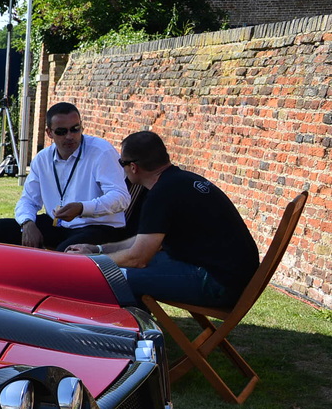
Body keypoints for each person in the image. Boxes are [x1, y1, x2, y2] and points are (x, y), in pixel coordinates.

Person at [64, 131, 259, 309]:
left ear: (133, 167)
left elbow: (138, 258)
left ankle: (126, 336)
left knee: (108, 277)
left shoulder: (161, 195)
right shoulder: (181, 181)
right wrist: (97, 249)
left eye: (121, 163)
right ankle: (136, 327)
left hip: (217, 283)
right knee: (122, 268)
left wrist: (92, 262)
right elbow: (144, 243)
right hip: (229, 277)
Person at [0, 103, 131, 250]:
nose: (70, 136)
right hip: (58, 224)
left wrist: (82, 208)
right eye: (61, 131)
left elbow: (121, 197)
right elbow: (28, 200)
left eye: (75, 129)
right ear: (49, 133)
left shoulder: (101, 151)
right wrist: (27, 223)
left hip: (98, 226)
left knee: (64, 252)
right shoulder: (43, 158)